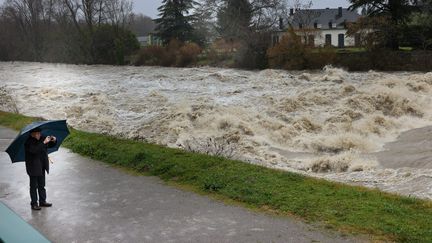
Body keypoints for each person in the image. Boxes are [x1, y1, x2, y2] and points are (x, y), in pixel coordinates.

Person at [24, 128, 57, 210]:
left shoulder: (42, 139)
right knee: (33, 186)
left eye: (39, 133)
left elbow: (50, 145)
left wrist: (54, 140)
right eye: (37, 133)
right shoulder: (28, 142)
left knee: (42, 185)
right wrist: (43, 142)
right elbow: (34, 150)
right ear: (32, 134)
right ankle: (34, 204)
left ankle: (42, 201)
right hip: (33, 167)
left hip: (42, 166)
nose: (39, 135)